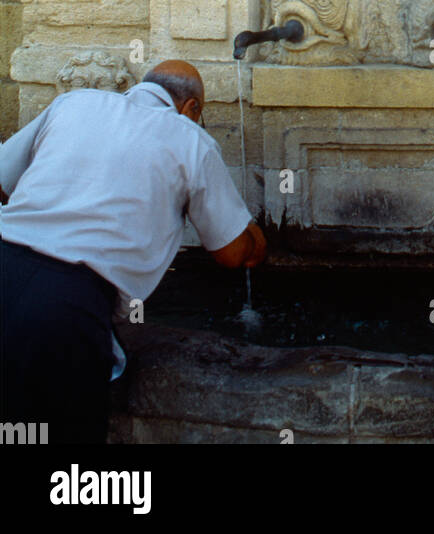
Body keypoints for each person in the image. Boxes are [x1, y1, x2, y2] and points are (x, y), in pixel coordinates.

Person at [0, 60, 266, 444]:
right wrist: (258, 242)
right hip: (65, 307)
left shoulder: (74, 103)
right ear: (191, 108)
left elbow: (4, 179)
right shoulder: (190, 139)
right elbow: (231, 253)